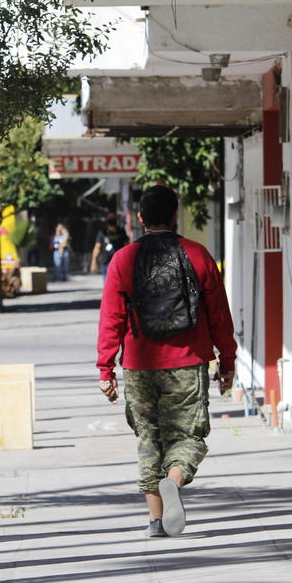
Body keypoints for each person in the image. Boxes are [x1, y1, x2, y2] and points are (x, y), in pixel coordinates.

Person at [96, 185, 237, 538]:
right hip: (189, 361)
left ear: (140, 217)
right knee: (189, 435)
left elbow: (111, 317)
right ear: (175, 214)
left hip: (139, 365)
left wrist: (105, 369)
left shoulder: (123, 260)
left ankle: (156, 521)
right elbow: (219, 314)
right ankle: (174, 479)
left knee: (148, 438)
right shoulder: (198, 254)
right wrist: (228, 360)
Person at [90, 211, 131, 277]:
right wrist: (93, 262)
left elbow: (127, 245)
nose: (112, 219)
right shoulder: (102, 232)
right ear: (107, 219)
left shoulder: (121, 231)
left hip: (119, 264)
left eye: (113, 217)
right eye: (110, 217)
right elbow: (97, 247)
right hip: (106, 264)